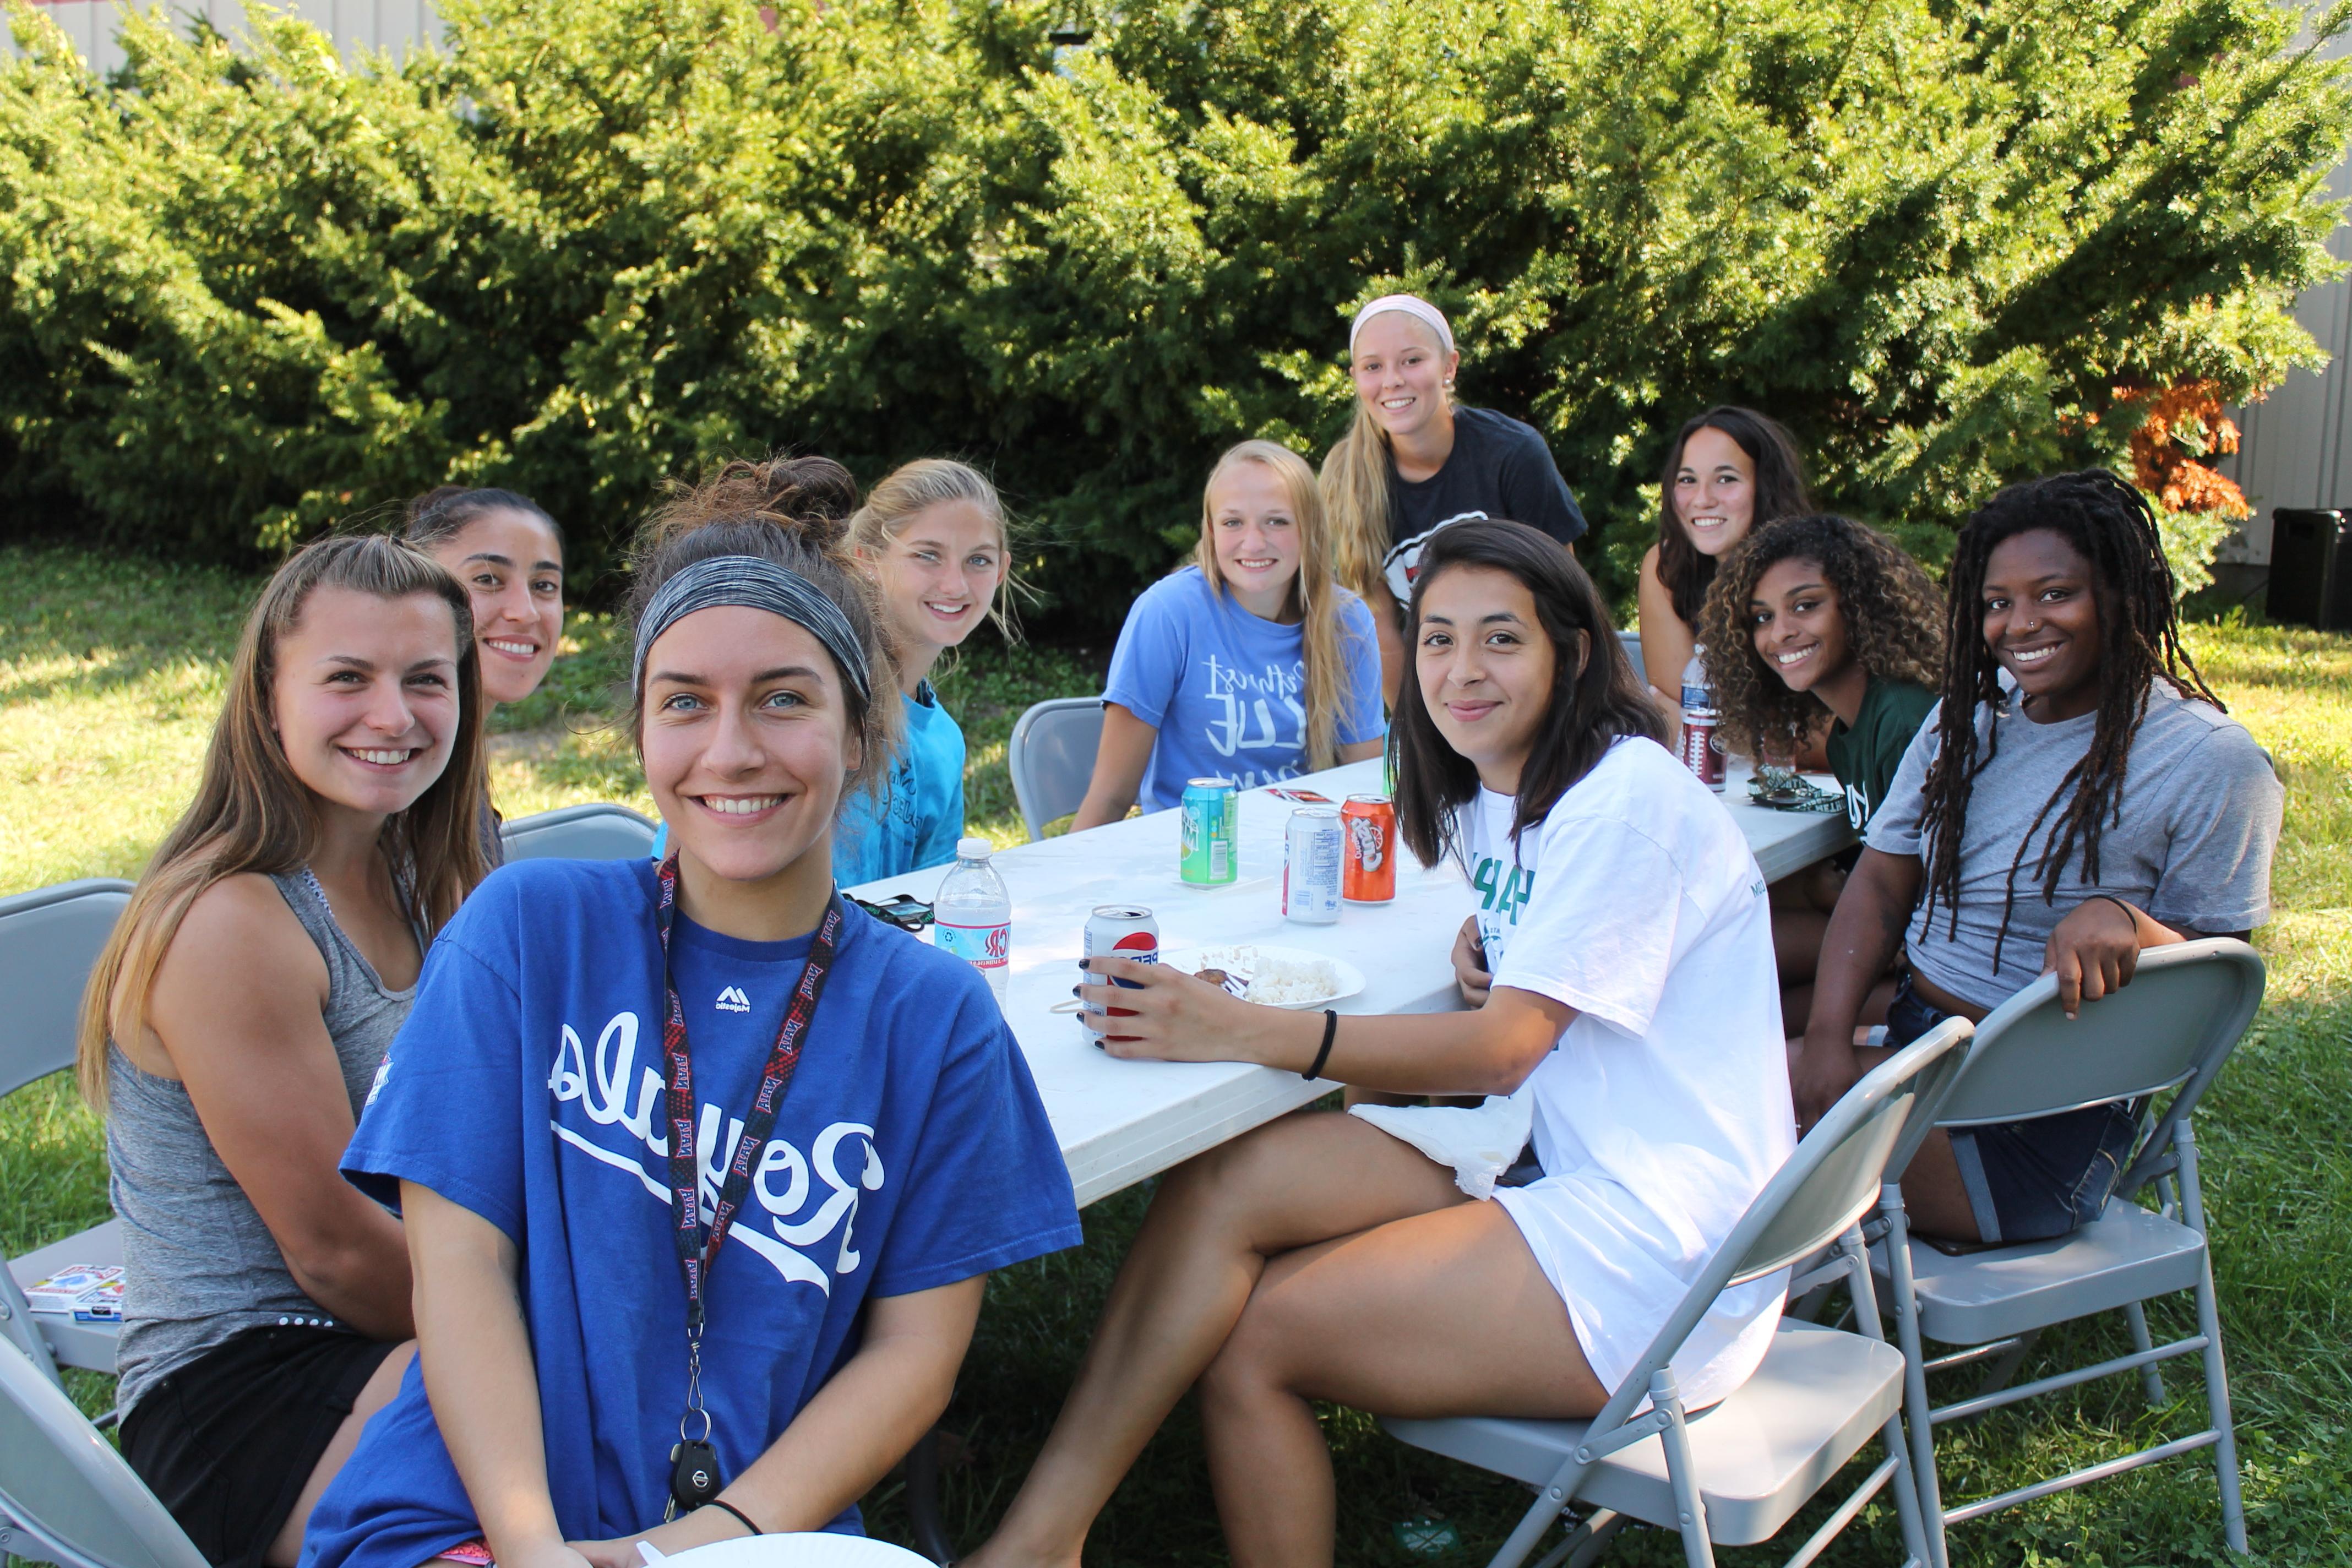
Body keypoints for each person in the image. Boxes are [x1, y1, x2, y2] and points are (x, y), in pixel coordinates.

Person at [966, 519, 1794, 1568]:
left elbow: (1500, 1050)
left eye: (1500, 638)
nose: (1460, 670)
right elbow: (1540, 975)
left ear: (1572, 651)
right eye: (1437, 639)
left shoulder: (1621, 801)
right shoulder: (1515, 784)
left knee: (1253, 1339)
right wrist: (1501, 941)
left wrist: (1235, 1025)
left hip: (1657, 1254)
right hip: (1558, 1152)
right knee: (1228, 1178)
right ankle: (1042, 1538)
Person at [300, 467, 1082, 1568]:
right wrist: (532, 1543)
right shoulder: (528, 931)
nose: (731, 750)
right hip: (468, 1514)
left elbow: (913, 1354)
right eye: (684, 701)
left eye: (783, 696)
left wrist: (682, 1547)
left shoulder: (936, 1015)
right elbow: (459, 1268)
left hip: (756, 1529)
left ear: (863, 731)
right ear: (640, 732)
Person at [76, 535, 489, 1568]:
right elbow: (336, 1252)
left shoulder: (416, 869)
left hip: (403, 1326)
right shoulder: (233, 922)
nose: (393, 716)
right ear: (267, 700)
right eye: (346, 677)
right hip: (247, 1388)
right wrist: (547, 1322)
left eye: (425, 679)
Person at [1793, 470, 2283, 1245]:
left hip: (2030, 1131)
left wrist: (2130, 923)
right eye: (1997, 603)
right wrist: (1828, 1038)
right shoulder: (1972, 717)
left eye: (2055, 594)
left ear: (2123, 594)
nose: (2021, 624)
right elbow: (1884, 879)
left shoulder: (2211, 762)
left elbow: (2213, 987)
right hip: (1920, 1047)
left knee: (1724, 1122)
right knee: (1716, 1070)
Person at [1700, 513, 1945, 1031]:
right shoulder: (1849, 733)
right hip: (1895, 940)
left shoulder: (1905, 720)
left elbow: (1930, 897)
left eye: (1806, 606)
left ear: (1860, 607)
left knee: (1740, 996)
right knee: (1724, 951)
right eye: (1761, 617)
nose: (1780, 633)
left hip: (1934, 972)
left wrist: (1831, 895)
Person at [1074, 440, 1386, 829]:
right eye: (1233, 522)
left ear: (1311, 528)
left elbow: (1366, 790)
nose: (1253, 543)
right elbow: (1111, 796)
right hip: (1188, 856)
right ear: (1210, 530)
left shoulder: (1347, 622)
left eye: (1277, 521)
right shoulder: (1169, 613)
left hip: (1302, 853)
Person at [1319, 293, 1587, 705]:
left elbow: (1565, 596)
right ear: (1356, 377)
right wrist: (1420, 727)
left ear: (1449, 367)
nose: (1392, 380)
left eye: (1412, 360)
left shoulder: (1512, 453)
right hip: (1442, 691)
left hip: (1528, 682)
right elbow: (1381, 625)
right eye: (1374, 367)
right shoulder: (1346, 479)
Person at [833, 458, 1011, 883]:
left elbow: (931, 901)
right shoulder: (823, 699)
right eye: (928, 556)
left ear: (1002, 570)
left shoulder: (943, 743)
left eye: (979, 561)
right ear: (868, 560)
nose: (956, 585)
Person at [402, 487, 566, 865]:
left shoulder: (457, 754)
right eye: (489, 580)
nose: (525, 613)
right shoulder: (397, 762)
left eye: (543, 586)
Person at [1636, 407, 1812, 732]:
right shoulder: (1667, 567)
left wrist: (1700, 721)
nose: (1702, 499)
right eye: (1688, 480)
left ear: (1765, 486)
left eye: (1726, 479)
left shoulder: (1811, 574)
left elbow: (1818, 733)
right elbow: (1687, 712)